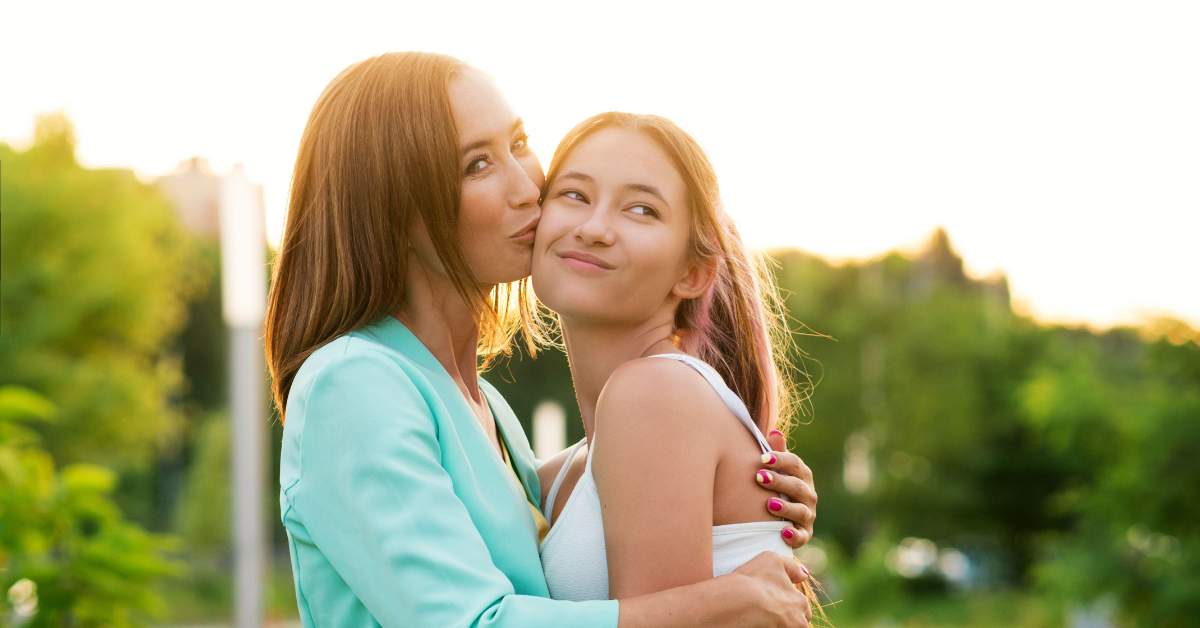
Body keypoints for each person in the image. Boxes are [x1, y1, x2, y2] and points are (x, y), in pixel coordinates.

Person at [266, 52, 817, 627]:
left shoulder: (486, 406)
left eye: (520, 142)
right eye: (478, 165)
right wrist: (727, 598)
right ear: (393, 208)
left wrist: (738, 481)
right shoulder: (354, 383)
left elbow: (596, 490)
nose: (529, 186)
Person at [531, 113, 822, 614]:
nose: (595, 228)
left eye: (641, 209)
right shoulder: (556, 475)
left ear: (692, 273)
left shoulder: (655, 394)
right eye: (574, 195)